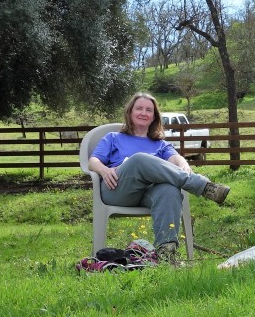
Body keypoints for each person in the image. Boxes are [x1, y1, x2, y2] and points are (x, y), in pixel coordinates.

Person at [88, 92, 230, 262]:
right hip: (117, 189)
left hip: (147, 194)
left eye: (149, 110)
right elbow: (93, 161)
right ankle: (203, 186)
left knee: (169, 189)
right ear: (130, 112)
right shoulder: (113, 137)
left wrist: (183, 164)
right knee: (139, 159)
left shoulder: (160, 144)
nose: (143, 113)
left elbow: (176, 158)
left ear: (154, 116)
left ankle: (166, 253)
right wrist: (104, 170)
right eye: (139, 108)